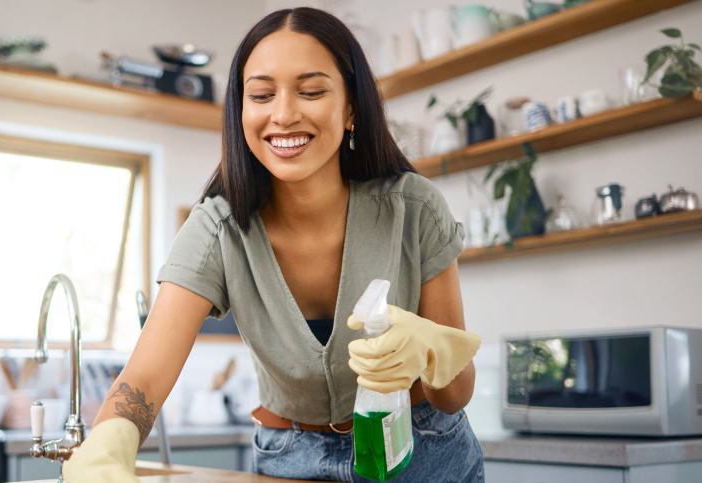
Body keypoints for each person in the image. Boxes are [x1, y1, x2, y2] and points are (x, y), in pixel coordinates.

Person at [63, 7, 483, 483]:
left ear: (350, 108)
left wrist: (432, 352)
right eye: (261, 94)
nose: (283, 114)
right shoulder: (218, 230)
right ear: (241, 110)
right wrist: (109, 444)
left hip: (421, 452)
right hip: (290, 461)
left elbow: (455, 395)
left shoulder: (414, 209)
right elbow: (143, 380)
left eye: (311, 91)